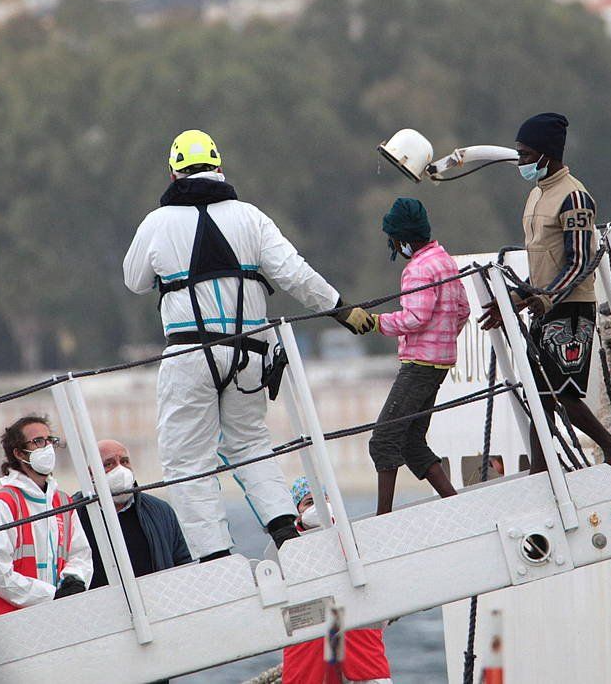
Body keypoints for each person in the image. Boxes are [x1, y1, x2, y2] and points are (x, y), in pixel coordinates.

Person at [123, 129, 373, 562]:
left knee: (188, 462)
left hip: (189, 355)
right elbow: (294, 273)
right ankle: (286, 536)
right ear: (220, 168)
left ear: (172, 173)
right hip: (251, 357)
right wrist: (341, 309)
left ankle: (217, 560)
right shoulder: (250, 217)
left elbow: (135, 281)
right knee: (252, 447)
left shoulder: (156, 223)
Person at [479, 112, 611, 473]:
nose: (521, 162)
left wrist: (544, 298)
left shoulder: (574, 197)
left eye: (526, 155)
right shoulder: (535, 196)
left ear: (547, 154)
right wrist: (512, 303)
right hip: (543, 309)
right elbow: (540, 266)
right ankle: (540, 471)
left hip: (571, 311)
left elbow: (578, 264)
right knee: (540, 394)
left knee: (564, 394)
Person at [365, 198, 468, 515]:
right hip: (440, 363)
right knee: (412, 442)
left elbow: (415, 319)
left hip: (419, 366)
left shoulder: (418, 269)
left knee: (383, 440)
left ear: (403, 239)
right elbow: (463, 310)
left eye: (393, 239)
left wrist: (375, 323)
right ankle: (455, 503)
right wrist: (443, 340)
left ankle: (383, 518)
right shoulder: (444, 260)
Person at [0, 415, 93, 619]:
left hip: (59, 617)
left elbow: (80, 555)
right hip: (9, 624)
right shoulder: (1, 506)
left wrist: (75, 580)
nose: (47, 447)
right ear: (19, 453)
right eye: (38, 441)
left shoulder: (63, 503)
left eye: (49, 440)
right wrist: (50, 595)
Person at [280, 477, 393, 684]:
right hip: (309, 661)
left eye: (323, 500)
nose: (318, 508)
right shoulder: (285, 551)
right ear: (298, 511)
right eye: (309, 503)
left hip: (363, 654)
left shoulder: (353, 537)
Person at [75, 439, 192, 590]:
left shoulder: (160, 511)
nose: (120, 470)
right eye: (108, 464)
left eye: (124, 462)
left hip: (154, 602)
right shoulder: (73, 515)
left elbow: (183, 562)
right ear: (91, 474)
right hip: (96, 606)